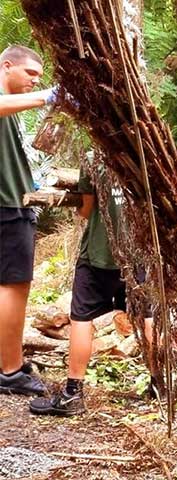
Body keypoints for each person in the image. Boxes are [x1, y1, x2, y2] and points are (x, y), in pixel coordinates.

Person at [29, 160, 151, 416]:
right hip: (138, 253)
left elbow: (86, 210)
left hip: (98, 254)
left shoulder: (93, 160)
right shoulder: (147, 156)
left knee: (81, 318)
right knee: (147, 317)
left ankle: (73, 394)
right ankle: (160, 384)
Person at [0, 45, 59, 396]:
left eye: (40, 77)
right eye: (30, 73)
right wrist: (46, 97)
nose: (35, 81)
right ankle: (10, 371)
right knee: (14, 286)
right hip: (7, 207)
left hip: (15, 201)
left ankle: (7, 361)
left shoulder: (13, 107)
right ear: (7, 66)